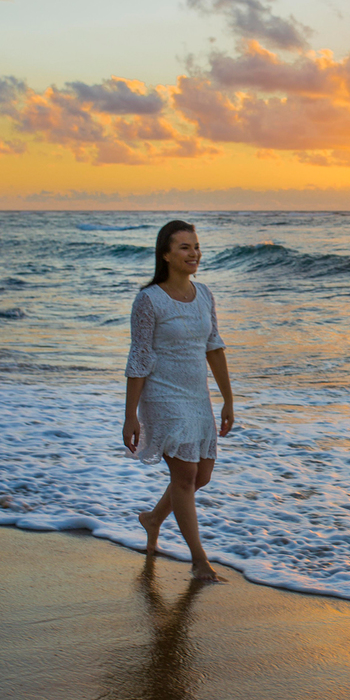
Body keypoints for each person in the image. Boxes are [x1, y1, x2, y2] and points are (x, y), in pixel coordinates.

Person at [123, 220, 234, 583]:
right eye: (185, 247)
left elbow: (213, 347)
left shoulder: (204, 295)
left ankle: (153, 519)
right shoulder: (148, 300)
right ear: (166, 255)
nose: (194, 253)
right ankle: (200, 562)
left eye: (197, 246)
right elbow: (139, 358)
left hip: (196, 395)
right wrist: (131, 416)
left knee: (201, 475)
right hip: (162, 394)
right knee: (184, 476)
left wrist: (228, 400)